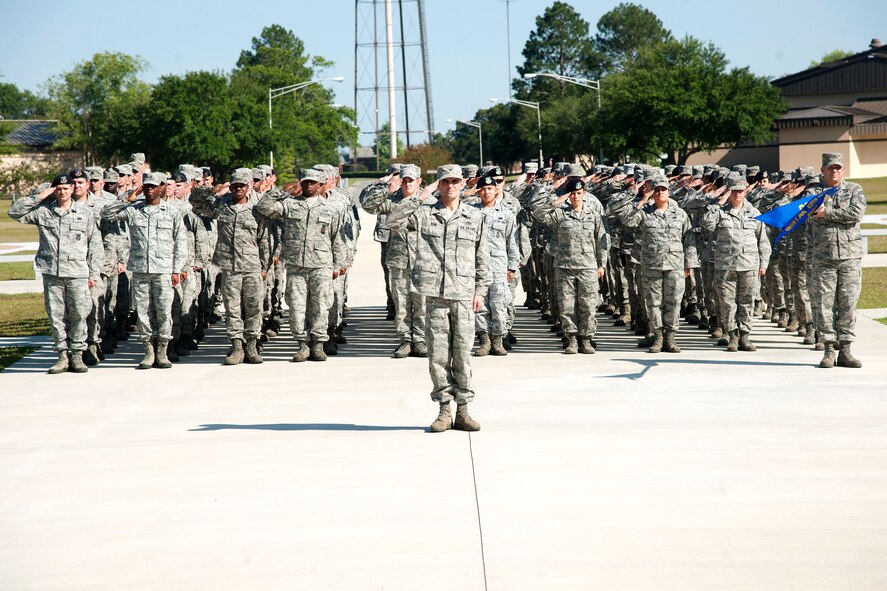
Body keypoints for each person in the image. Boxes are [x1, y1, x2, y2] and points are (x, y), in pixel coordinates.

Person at [386, 164, 490, 433]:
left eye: (455, 181)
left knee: (463, 355)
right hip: (434, 294)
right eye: (445, 182)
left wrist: (480, 292)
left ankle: (464, 410)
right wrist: (420, 196)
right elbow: (393, 221)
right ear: (438, 185)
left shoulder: (474, 217)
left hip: (465, 296)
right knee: (438, 356)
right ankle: (444, 409)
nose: (450, 186)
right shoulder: (423, 214)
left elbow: (482, 257)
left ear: (463, 185)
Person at [8, 173, 104, 373]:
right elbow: (14, 213)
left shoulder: (85, 213)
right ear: (54, 190)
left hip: (78, 272)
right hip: (52, 272)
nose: (62, 192)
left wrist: (94, 273)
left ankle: (77, 355)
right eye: (58, 189)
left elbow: (95, 244)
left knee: (79, 314)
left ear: (72, 189)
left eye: (66, 188)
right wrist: (41, 195)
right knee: (56, 316)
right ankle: (62, 356)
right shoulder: (43, 212)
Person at [255, 168, 347, 362]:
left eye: (312, 182)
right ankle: (302, 344)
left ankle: (318, 344)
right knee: (296, 308)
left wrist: (339, 264)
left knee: (321, 306)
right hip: (296, 264)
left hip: (321, 265)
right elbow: (263, 206)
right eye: (304, 181)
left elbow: (337, 238)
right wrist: (282, 190)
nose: (308, 185)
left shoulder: (331, 209)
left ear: (321, 185)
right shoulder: (290, 205)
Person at [102, 172, 188, 369]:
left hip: (164, 270)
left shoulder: (172, 212)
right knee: (143, 312)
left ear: (162, 187)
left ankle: (162, 351)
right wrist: (129, 197)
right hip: (140, 270)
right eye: (146, 186)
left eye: (153, 186)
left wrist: (177, 269)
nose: (149, 189)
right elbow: (107, 213)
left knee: (163, 311)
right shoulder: (134, 210)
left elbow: (180, 243)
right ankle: (148, 351)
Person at [608, 176, 698, 353]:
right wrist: (641, 201)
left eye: (663, 190)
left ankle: (670, 338)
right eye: (656, 190)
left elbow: (689, 240)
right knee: (653, 303)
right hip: (651, 265)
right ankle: (658, 337)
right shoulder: (644, 212)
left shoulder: (679, 214)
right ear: (652, 192)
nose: (660, 193)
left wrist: (689, 265)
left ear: (668, 192)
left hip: (675, 265)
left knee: (673, 302)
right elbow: (627, 220)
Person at [191, 169, 270, 365]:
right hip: (229, 267)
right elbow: (196, 203)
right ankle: (236, 347)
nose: (238, 189)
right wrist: (210, 190)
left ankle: (251, 345)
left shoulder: (257, 207)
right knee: (232, 309)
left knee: (253, 308)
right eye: (234, 186)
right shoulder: (221, 204)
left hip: (252, 266)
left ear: (249, 185)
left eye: (242, 186)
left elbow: (265, 240)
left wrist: (264, 266)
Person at [531, 177, 608, 354]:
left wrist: (601, 264)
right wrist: (557, 201)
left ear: (584, 194)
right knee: (567, 305)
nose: (576, 197)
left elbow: (601, 240)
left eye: (579, 194)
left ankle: (586, 339)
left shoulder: (593, 215)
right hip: (565, 266)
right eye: (572, 194)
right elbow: (538, 214)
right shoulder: (560, 213)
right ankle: (572, 338)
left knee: (588, 305)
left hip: (588, 266)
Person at [361, 163, 428, 358]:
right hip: (399, 259)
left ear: (419, 181)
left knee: (422, 304)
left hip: (424, 260)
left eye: (410, 180)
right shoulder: (391, 200)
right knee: (401, 304)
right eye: (404, 180)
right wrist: (387, 188)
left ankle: (421, 339)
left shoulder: (428, 200)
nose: (407, 184)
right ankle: (406, 340)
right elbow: (368, 205)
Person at [809, 152, 867, 368]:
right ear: (822, 170)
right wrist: (823, 212)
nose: (835, 171)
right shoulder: (813, 192)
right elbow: (810, 213)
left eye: (838, 168)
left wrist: (827, 213)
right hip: (823, 256)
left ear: (843, 170)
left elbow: (856, 213)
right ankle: (828, 350)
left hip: (850, 256)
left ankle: (846, 350)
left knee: (848, 303)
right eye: (830, 168)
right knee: (824, 304)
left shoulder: (854, 190)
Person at [700, 176, 771, 352]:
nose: (738, 194)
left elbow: (763, 240)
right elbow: (707, 224)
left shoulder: (754, 213)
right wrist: (719, 201)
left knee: (746, 301)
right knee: (726, 302)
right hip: (725, 265)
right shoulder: (720, 211)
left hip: (749, 265)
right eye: (734, 191)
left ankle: (745, 336)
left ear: (746, 191)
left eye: (741, 190)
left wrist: (764, 263)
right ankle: (731, 335)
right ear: (729, 191)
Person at [470, 175, 520, 356]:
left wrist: (512, 266)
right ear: (478, 191)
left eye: (490, 189)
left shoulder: (506, 214)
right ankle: (485, 341)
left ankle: (498, 340)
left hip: (499, 266)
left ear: (496, 190)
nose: (486, 192)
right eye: (482, 189)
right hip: (476, 267)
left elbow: (512, 242)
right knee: (480, 305)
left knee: (499, 304)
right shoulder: (471, 213)